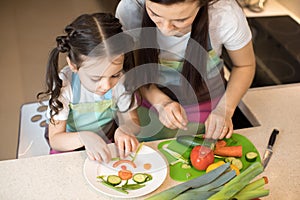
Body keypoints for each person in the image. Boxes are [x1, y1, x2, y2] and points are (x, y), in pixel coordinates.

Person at [116, 0, 256, 139]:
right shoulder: (131, 8)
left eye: (181, 20)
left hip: (209, 109)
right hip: (147, 107)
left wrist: (224, 109)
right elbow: (131, 68)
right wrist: (161, 102)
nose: (166, 29)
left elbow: (244, 66)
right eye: (155, 14)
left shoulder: (224, 13)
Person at [37, 13, 140, 163]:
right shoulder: (65, 85)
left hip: (107, 138)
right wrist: (84, 137)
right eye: (96, 78)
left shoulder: (122, 80)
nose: (106, 86)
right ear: (73, 65)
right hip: (70, 142)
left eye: (114, 75)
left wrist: (125, 129)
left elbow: (133, 120)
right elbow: (56, 139)